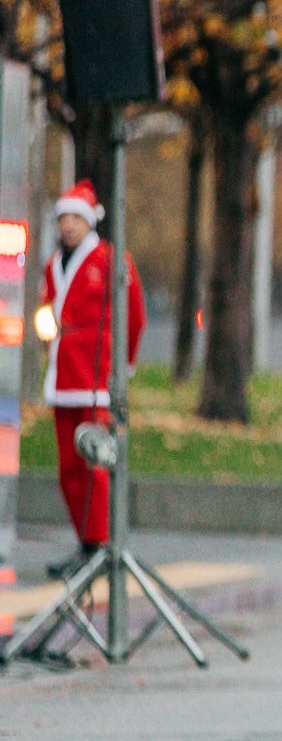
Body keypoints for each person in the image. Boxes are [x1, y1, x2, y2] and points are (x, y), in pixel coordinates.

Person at [38, 180, 146, 580]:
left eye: (75, 218)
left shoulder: (112, 260)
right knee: (69, 469)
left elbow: (134, 315)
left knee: (95, 466)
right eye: (63, 218)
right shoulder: (54, 264)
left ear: (89, 221)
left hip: (97, 377)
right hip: (63, 376)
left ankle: (99, 543)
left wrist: (124, 363)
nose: (68, 225)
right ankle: (85, 543)